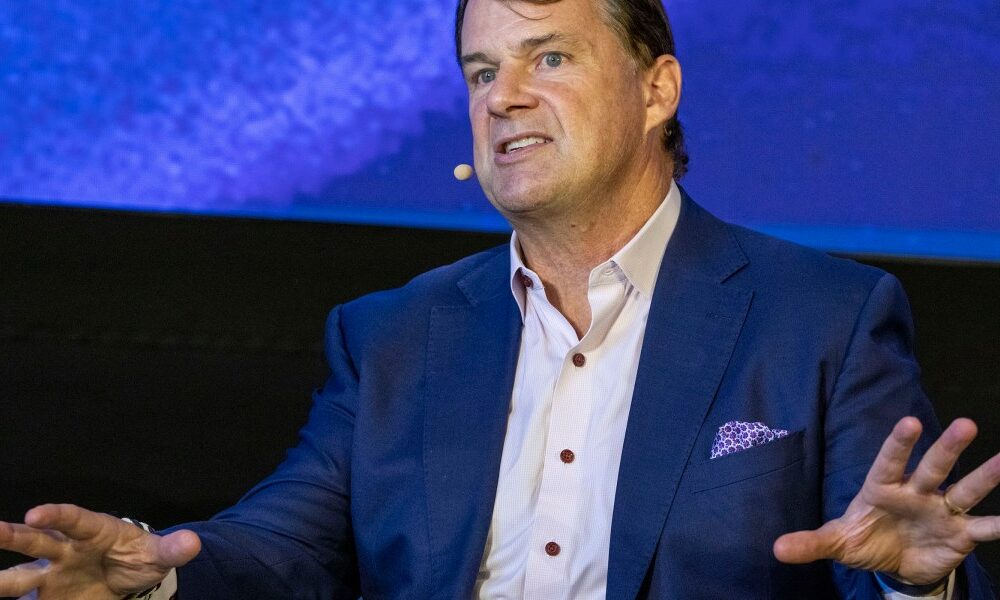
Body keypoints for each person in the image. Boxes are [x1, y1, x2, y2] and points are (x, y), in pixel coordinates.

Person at [1, 0, 998, 598]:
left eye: (548, 57)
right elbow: (285, 545)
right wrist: (155, 570)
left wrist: (915, 586)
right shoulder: (391, 335)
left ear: (657, 90)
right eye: (482, 70)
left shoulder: (822, 318)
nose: (502, 96)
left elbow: (877, 550)